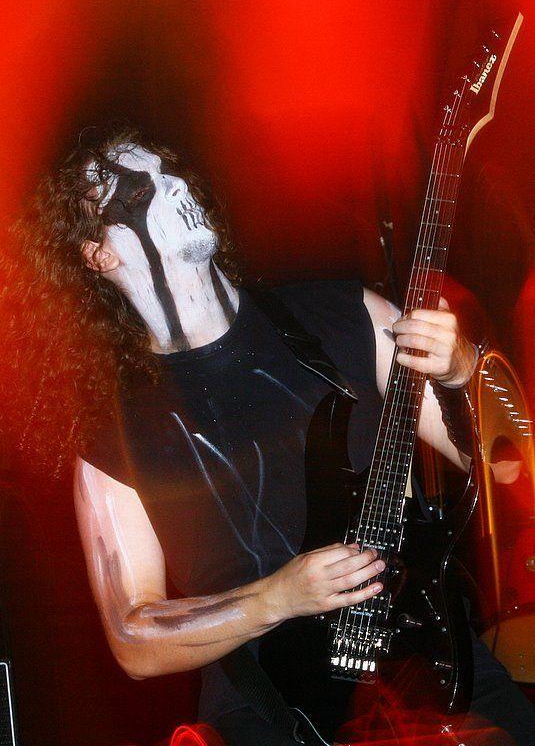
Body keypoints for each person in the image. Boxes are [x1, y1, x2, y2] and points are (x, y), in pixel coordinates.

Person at [5, 128, 534, 745]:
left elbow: (512, 468)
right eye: (138, 191)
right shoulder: (113, 432)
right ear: (97, 254)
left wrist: (466, 370)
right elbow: (133, 638)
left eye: (169, 171)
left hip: (439, 676)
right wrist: (278, 598)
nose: (175, 186)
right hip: (268, 712)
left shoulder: (346, 315)